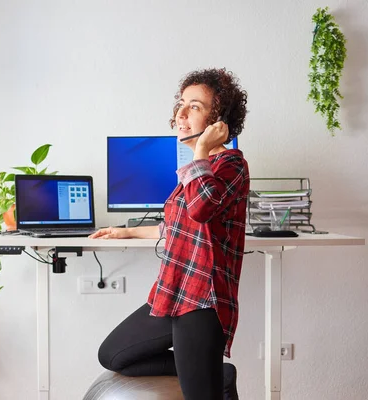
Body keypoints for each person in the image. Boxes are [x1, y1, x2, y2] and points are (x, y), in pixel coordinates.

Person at [89, 68, 249, 400]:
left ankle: (207, 372)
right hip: (172, 291)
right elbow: (179, 224)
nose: (180, 113)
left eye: (195, 106)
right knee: (113, 354)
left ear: (219, 119)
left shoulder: (231, 166)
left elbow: (203, 209)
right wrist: (127, 232)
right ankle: (214, 371)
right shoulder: (198, 171)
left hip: (202, 298)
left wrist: (201, 151)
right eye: (180, 104)